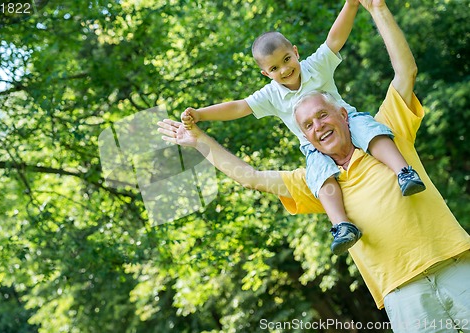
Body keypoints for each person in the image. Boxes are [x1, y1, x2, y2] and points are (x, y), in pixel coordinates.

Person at [159, 0, 470, 331]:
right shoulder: (320, 179)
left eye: (323, 115)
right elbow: (250, 177)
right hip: (401, 291)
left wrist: (375, 7)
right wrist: (198, 137)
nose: (318, 126)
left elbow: (403, 71)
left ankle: (403, 174)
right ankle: (342, 226)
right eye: (307, 125)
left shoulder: (386, 133)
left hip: (455, 263)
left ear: (341, 113)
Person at [180, 0, 425, 255]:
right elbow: (238, 107)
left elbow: (335, 39)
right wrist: (200, 115)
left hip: (348, 120)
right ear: (266, 73)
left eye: (287, 59)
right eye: (275, 68)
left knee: (371, 132)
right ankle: (342, 224)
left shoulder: (315, 66)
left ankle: (404, 172)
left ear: (296, 52)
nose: (285, 70)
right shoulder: (270, 95)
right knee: (320, 176)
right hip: (314, 147)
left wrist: (351, 5)